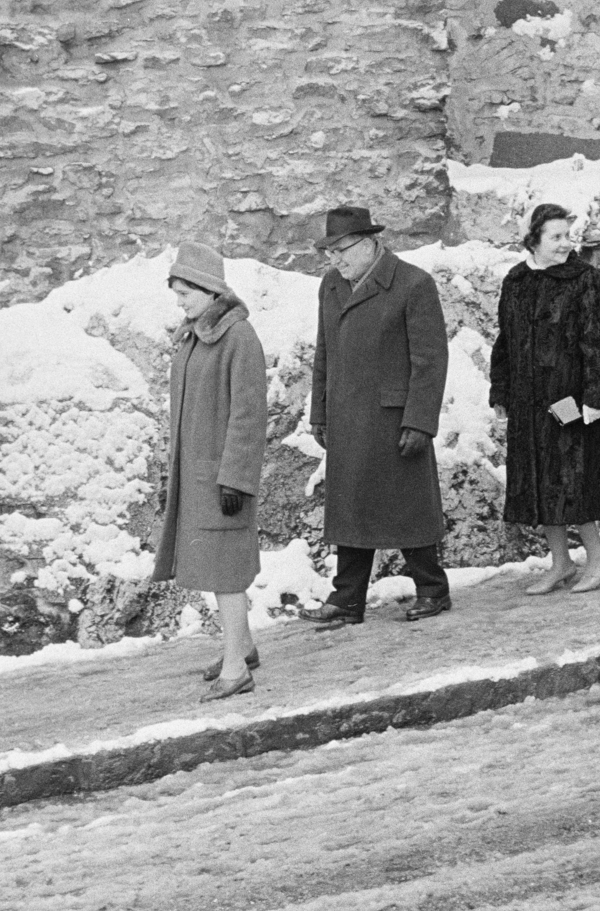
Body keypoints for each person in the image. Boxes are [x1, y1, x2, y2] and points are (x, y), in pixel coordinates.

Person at [298, 205, 452, 625]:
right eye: (329, 253)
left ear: (369, 245)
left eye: (341, 250)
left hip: (394, 419)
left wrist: (420, 420)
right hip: (347, 416)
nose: (335, 260)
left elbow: (430, 359)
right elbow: (323, 351)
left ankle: (432, 589)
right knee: (351, 509)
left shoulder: (413, 284)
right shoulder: (331, 285)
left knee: (408, 507)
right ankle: (348, 598)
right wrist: (320, 411)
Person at [149, 242, 269, 701]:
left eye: (184, 293)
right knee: (218, 566)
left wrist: (235, 477)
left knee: (226, 572)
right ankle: (244, 646)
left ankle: (237, 669)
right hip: (199, 474)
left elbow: (248, 414)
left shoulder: (238, 337)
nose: (179, 302)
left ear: (209, 290)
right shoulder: (196, 334)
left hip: (222, 479)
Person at [489, 203, 600, 594]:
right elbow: (506, 339)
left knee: (572, 479)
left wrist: (597, 395)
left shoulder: (585, 279)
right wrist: (500, 390)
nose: (566, 244)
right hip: (528, 400)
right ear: (532, 240)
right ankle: (561, 561)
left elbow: (598, 339)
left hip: (572, 399)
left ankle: (599, 552)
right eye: (555, 237)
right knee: (539, 480)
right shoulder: (516, 280)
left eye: (568, 235)